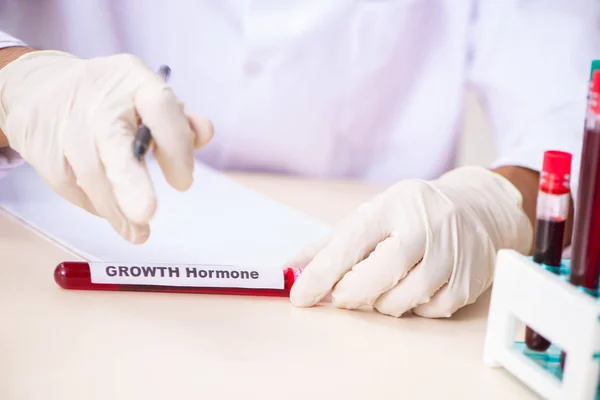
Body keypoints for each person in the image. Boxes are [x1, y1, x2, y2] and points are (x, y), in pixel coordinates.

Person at [0, 1, 597, 319]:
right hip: (34, 262)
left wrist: (496, 204)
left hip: (378, 296)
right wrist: (18, 82)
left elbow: (572, 100)